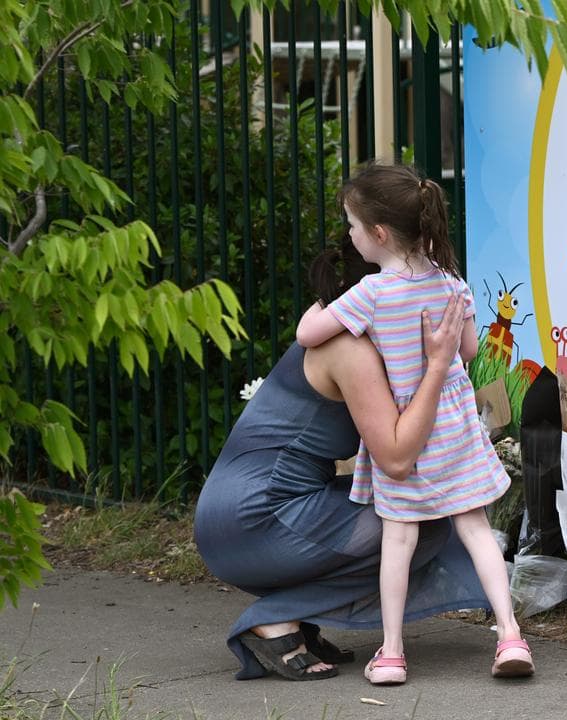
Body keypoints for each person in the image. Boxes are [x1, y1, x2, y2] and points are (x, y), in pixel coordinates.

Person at [194, 240, 488, 682]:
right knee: (421, 527)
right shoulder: (352, 349)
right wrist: (437, 367)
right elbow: (396, 458)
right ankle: (274, 618)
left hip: (255, 507)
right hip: (255, 515)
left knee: (416, 524)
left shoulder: (355, 329)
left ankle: (289, 619)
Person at [294, 163, 532, 684]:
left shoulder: (371, 294)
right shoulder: (452, 283)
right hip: (456, 426)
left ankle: (394, 651)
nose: (350, 236)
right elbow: (468, 351)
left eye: (353, 227)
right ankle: (511, 635)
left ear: (378, 234)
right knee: (476, 529)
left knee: (397, 540)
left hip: (408, 425)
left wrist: (324, 300)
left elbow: (308, 334)